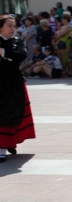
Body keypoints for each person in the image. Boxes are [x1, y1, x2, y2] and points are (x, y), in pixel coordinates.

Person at [0, 14, 36, 162]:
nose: (12, 28)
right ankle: (1, 148)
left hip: (14, 83)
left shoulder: (18, 41)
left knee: (14, 113)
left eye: (13, 25)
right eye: (9, 25)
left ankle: (11, 142)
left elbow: (21, 56)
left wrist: (4, 53)